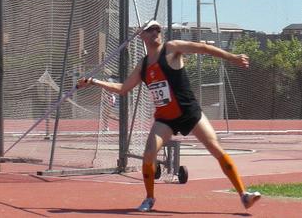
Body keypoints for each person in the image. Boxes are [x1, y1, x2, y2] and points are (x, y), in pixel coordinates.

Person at [77, 20, 261, 212]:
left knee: (216, 148)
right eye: (151, 30)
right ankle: (149, 199)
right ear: (142, 35)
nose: (156, 32)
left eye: (158, 29)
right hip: (165, 119)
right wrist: (94, 82)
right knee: (149, 154)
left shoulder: (171, 48)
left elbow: (202, 48)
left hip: (189, 112)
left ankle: (244, 195)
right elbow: (123, 88)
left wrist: (232, 57)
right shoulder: (143, 65)